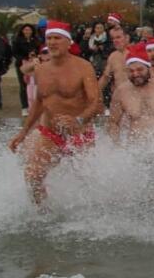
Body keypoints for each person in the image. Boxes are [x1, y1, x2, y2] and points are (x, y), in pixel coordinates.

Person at [7, 21, 103, 206]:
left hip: (79, 133)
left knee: (85, 182)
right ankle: (43, 215)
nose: (52, 42)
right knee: (33, 176)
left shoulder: (83, 67)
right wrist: (23, 133)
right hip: (50, 132)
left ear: (68, 42)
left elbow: (96, 103)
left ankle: (88, 215)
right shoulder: (41, 69)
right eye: (49, 38)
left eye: (57, 38)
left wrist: (79, 119)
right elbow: (39, 103)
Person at [97, 25, 132, 101]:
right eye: (113, 38)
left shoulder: (137, 54)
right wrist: (95, 93)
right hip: (119, 98)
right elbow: (105, 77)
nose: (115, 41)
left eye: (118, 37)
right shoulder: (113, 56)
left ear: (127, 38)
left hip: (135, 97)